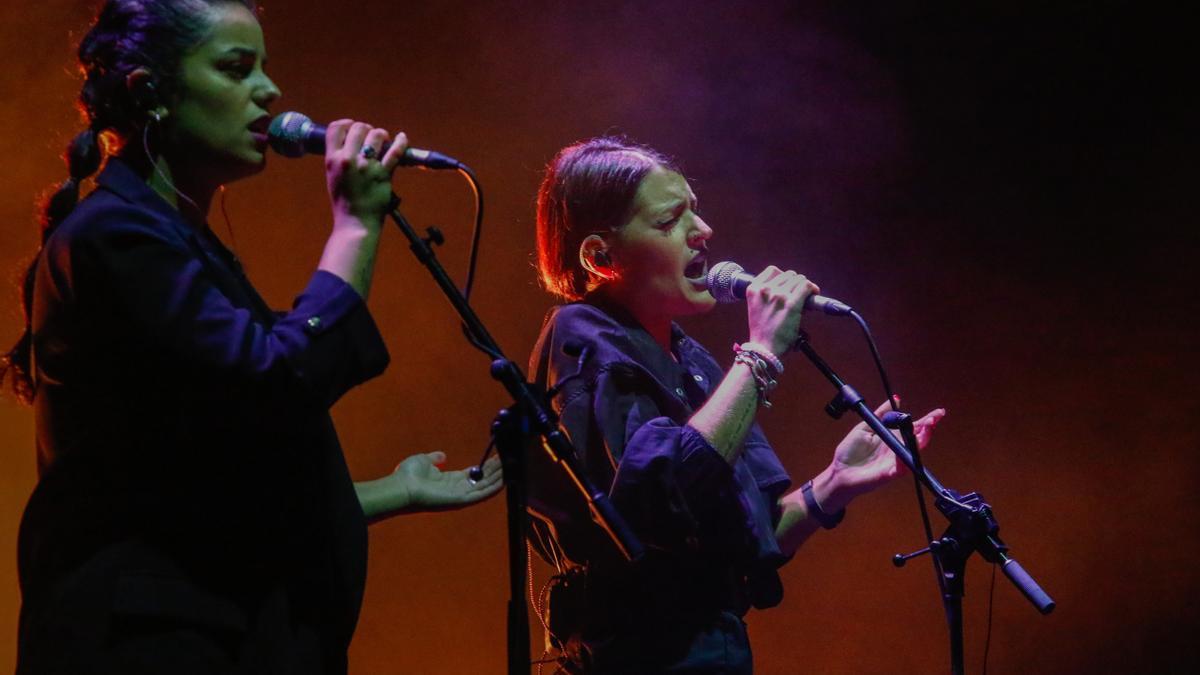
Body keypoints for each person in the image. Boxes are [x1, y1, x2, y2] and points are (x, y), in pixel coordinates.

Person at [0, 1, 502, 673]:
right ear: (150, 94)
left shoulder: (176, 246)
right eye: (238, 69)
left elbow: (213, 474)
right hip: (146, 644)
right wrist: (354, 229)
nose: (269, 91)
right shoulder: (113, 237)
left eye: (264, 68)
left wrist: (395, 488)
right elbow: (275, 383)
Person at [526, 137, 946, 674]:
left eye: (695, 212)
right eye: (670, 220)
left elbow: (747, 538)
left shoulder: (690, 361)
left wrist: (836, 482)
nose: (703, 233)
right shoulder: (582, 337)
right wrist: (763, 354)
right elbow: (664, 491)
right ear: (601, 256)